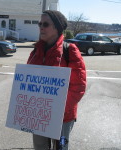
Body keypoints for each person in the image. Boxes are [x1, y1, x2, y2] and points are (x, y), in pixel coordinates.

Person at [27, 10, 86, 150]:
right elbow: (27, 81)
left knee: (61, 147)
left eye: (45, 24)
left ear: (57, 27)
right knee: (40, 147)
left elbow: (78, 87)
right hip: (39, 116)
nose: (41, 27)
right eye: (39, 23)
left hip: (63, 117)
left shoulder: (70, 51)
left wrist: (56, 110)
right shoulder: (35, 51)